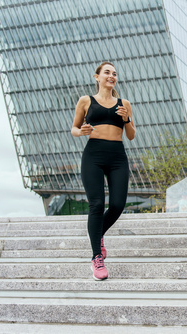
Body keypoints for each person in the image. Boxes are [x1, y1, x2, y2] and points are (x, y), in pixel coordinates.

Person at [71, 61, 135, 280]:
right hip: (94, 155)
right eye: (107, 72)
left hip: (117, 156)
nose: (111, 76)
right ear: (97, 77)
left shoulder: (124, 103)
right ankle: (96, 257)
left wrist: (126, 117)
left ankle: (98, 235)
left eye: (114, 73)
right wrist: (81, 132)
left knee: (117, 204)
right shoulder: (85, 101)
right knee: (96, 204)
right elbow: (74, 128)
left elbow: (132, 134)